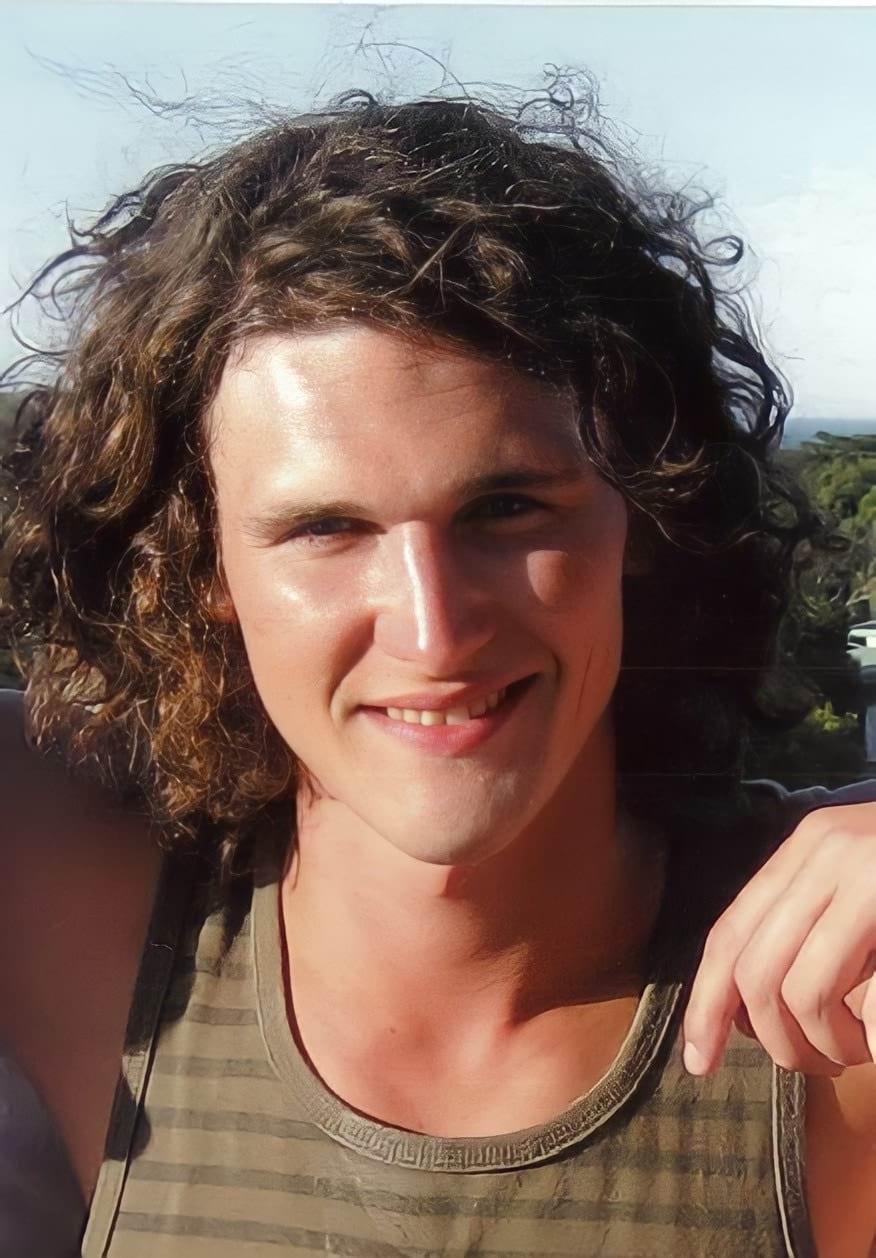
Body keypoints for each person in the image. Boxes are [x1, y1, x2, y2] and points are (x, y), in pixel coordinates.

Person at [0, 88, 874, 1257]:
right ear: (200, 566)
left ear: (647, 519)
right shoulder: (67, 886)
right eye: (325, 529)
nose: (435, 627)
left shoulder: (833, 1010)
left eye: (507, 508)